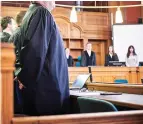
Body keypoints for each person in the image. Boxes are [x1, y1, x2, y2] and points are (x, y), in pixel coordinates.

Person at [10, 1, 70, 116]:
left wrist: (24, 77)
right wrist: (25, 78)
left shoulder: (34, 13)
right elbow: (35, 50)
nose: (54, 2)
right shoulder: (41, 12)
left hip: (42, 91)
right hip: (46, 93)